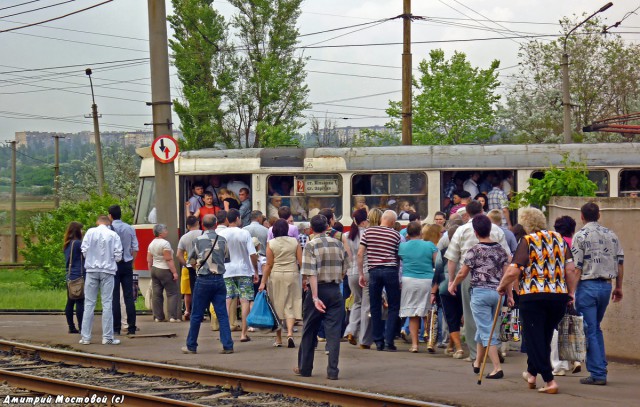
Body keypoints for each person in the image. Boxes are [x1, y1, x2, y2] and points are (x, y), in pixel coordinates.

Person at [497, 207, 579, 394]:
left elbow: (514, 270)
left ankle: (549, 381)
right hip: (558, 295)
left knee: (534, 339)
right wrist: (571, 292)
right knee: (544, 335)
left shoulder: (528, 241)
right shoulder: (559, 239)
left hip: (533, 295)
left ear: (526, 224)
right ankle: (532, 374)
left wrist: (502, 286)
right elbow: (570, 269)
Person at [445, 200, 510, 362]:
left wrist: (451, 281)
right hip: (495, 276)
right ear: (483, 210)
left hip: (468, 275)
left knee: (470, 315)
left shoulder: (461, 230)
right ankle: (495, 348)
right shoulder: (496, 229)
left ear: (467, 212)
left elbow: (452, 258)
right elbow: (507, 258)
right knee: (494, 315)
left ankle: (475, 354)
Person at [572, 203, 624, 386]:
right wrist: (619, 287)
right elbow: (620, 262)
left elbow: (577, 268)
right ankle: (600, 366)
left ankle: (598, 373)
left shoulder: (580, 236)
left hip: (587, 286)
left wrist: (571, 292)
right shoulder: (612, 235)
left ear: (582, 216)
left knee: (591, 329)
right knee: (596, 328)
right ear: (599, 215)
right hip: (606, 286)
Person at [295, 214, 349, 380]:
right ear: (328, 227)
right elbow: (346, 267)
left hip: (317, 290)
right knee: (333, 333)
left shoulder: (310, 246)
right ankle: (332, 371)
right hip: (334, 290)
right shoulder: (339, 244)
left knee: (309, 329)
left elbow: (310, 273)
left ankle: (305, 368)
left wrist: (315, 296)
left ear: (311, 228)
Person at [182, 214, 234, 354]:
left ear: (203, 225)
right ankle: (228, 345)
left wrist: (197, 267)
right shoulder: (222, 240)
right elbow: (227, 258)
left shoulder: (198, 240)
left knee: (196, 314)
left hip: (203, 279)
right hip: (219, 279)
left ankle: (191, 345)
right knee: (222, 314)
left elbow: (190, 260)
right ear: (216, 224)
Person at [358, 210, 402, 351]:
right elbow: (397, 256)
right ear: (393, 222)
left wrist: (361, 274)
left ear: (382, 219)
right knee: (394, 306)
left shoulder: (368, 232)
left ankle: (378, 341)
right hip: (390, 271)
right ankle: (389, 341)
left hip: (374, 271)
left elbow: (360, 253)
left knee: (375, 306)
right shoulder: (395, 234)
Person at [79, 215, 123, 345]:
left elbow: (84, 250)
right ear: (108, 223)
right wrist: (109, 260)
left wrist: (92, 260)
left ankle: (86, 337)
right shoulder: (113, 235)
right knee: (107, 303)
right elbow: (119, 256)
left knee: (89, 303)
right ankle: (107, 337)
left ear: (97, 222)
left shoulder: (90, 232)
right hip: (108, 271)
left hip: (91, 270)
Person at [259, 219, 303, 347]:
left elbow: (268, 264)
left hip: (276, 275)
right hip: (292, 274)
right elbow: (300, 261)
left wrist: (263, 282)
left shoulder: (271, 243)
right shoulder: (295, 242)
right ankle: (290, 333)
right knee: (290, 304)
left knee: (277, 305)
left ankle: (278, 339)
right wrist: (305, 278)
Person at [218, 208, 259, 342]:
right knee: (245, 300)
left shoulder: (221, 234)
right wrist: (255, 270)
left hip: (226, 271)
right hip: (244, 270)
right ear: (237, 218)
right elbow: (252, 254)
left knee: (227, 299)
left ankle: (225, 331)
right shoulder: (244, 233)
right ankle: (243, 333)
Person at [399, 221, 438, 353]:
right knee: (427, 311)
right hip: (427, 280)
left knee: (412, 313)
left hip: (409, 280)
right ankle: (429, 342)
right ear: (421, 232)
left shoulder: (402, 247)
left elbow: (399, 262)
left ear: (408, 234)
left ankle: (414, 345)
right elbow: (437, 264)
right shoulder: (430, 245)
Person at [550, 215, 581, 376]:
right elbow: (575, 269)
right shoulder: (573, 244)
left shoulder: (554, 243)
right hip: (571, 288)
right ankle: (574, 358)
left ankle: (559, 364)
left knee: (556, 327)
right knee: (570, 323)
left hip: (557, 288)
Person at [108, 205, 139, 336]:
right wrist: (131, 261)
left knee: (114, 296)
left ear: (110, 215)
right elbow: (135, 248)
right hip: (127, 264)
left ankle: (116, 327)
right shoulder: (129, 228)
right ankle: (131, 326)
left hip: (113, 265)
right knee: (128, 297)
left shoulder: (108, 229)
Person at [343, 209, 370, 347]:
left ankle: (351, 330)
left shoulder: (347, 235)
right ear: (364, 221)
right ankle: (364, 340)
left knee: (356, 302)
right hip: (365, 271)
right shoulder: (368, 234)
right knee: (366, 305)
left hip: (351, 273)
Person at [147, 224, 181, 322]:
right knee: (172, 293)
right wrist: (174, 272)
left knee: (157, 294)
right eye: (165, 230)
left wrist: (151, 270)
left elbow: (149, 259)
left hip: (154, 269)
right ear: (161, 233)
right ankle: (172, 316)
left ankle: (158, 317)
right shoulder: (165, 244)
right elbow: (168, 259)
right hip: (165, 270)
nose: (167, 231)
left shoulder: (151, 243)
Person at [176, 216, 203, 321]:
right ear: (198, 223)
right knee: (205, 290)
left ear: (187, 226)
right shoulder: (203, 234)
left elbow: (179, 255)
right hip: (203, 266)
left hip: (190, 268)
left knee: (194, 291)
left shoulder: (184, 237)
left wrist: (186, 264)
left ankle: (195, 314)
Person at [64, 221, 85, 334]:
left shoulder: (67, 243)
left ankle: (71, 326)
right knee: (80, 302)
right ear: (77, 230)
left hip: (70, 275)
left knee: (70, 301)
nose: (83, 231)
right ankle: (82, 327)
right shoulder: (77, 243)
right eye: (81, 229)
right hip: (78, 276)